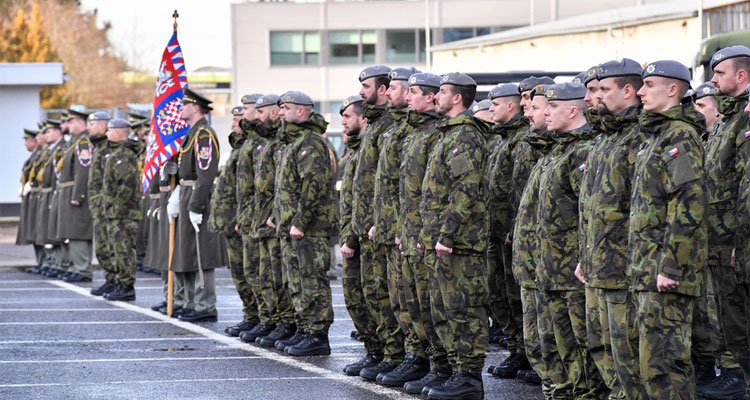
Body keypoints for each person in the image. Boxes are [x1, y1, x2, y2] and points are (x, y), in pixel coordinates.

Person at [629, 60, 707, 399]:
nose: (640, 92)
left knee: (666, 365)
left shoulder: (680, 135)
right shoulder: (657, 134)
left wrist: (671, 267)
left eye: (649, 86)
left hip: (665, 272)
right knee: (651, 363)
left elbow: (689, 202)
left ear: (673, 90)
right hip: (647, 268)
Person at [577, 58, 644, 400]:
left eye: (603, 89)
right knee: (601, 345)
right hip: (597, 262)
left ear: (628, 90)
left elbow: (642, 208)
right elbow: (591, 207)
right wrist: (584, 256)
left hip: (623, 265)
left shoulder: (640, 136)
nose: (595, 96)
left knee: (627, 349)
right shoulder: (606, 138)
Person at [420, 72, 489, 400]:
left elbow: (465, 188)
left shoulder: (465, 136)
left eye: (443, 91)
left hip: (460, 242)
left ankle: (469, 378)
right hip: (443, 240)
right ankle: (454, 370)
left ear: (458, 98)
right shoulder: (447, 133)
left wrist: (448, 234)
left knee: (463, 308)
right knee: (444, 309)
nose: (437, 96)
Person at [537, 82, 604, 399]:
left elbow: (588, 212)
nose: (546, 113)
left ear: (573, 110)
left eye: (552, 107)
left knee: (584, 344)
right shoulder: (560, 149)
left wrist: (584, 259)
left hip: (573, 269)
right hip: (553, 268)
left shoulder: (582, 151)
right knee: (563, 346)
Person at [373, 66, 432, 387]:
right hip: (398, 229)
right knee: (400, 299)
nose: (401, 95)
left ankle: (421, 358)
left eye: (405, 89)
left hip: (413, 232)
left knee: (418, 302)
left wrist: (406, 228)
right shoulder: (399, 128)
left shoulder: (424, 131)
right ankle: (407, 355)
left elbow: (423, 190)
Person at [398, 72, 454, 395]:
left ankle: (442, 366)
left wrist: (432, 233)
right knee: (416, 304)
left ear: (431, 97)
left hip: (429, 235)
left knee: (436, 307)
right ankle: (427, 361)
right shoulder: (417, 133)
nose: (407, 97)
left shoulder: (436, 134)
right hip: (412, 233)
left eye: (413, 92)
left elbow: (439, 192)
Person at [702, 46, 750, 399]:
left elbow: (744, 187)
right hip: (719, 242)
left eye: (719, 73)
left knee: (740, 324)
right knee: (732, 325)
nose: (713, 79)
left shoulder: (744, 119)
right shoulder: (726, 119)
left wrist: (739, 242)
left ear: (741, 75)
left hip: (736, 243)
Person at [272, 90, 336, 356]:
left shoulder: (311, 142)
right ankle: (304, 327)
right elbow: (285, 188)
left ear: (301, 110)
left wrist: (300, 221)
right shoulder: (293, 142)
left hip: (309, 228)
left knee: (312, 280)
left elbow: (313, 186)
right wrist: (279, 218)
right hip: (291, 227)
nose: (281, 112)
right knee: (296, 281)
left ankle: (317, 334)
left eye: (285, 108)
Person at [353, 64, 406, 381]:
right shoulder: (376, 125)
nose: (362, 92)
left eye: (366, 86)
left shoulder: (391, 125)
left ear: (383, 89)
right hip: (371, 226)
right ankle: (385, 352)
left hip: (386, 227)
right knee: (374, 293)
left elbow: (395, 183)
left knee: (391, 296)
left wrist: (383, 222)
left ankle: (395, 354)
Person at [512, 83, 560, 397]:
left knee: (564, 344)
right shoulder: (546, 152)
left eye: (537, 107)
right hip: (534, 262)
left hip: (557, 266)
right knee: (538, 339)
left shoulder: (570, 152)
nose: (527, 112)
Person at [168, 87, 227, 322]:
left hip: (196, 195)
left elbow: (205, 174)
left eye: (184, 105)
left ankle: (205, 305)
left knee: (201, 252)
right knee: (188, 252)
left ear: (195, 107)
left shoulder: (204, 135)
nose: (181, 108)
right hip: (187, 193)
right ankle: (191, 302)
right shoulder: (192, 133)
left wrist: (197, 205)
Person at [484, 83, 529, 380]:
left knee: (515, 297)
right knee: (498, 294)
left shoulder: (522, 139)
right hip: (496, 232)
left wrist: (514, 228)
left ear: (510, 106)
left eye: (495, 105)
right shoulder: (502, 139)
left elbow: (520, 190)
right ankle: (516, 349)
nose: (491, 110)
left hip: (511, 235)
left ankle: (526, 353)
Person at [339, 94, 382, 375]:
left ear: (363, 118)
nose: (343, 122)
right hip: (354, 233)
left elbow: (370, 197)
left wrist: (354, 237)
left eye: (347, 117)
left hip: (368, 235)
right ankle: (374, 350)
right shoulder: (355, 150)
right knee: (355, 297)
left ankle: (385, 352)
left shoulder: (369, 147)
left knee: (375, 297)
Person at [252, 94, 298, 348]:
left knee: (281, 276)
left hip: (278, 220)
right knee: (266, 275)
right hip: (265, 219)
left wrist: (277, 215)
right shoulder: (269, 142)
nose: (254, 116)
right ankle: (273, 320)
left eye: (259, 111)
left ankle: (286, 322)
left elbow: (283, 187)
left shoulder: (284, 142)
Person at [208, 105, 256, 336]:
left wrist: (241, 217)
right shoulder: (239, 148)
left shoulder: (251, 147)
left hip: (243, 221)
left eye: (238, 120)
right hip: (234, 221)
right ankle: (251, 315)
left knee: (251, 272)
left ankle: (258, 316)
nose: (233, 124)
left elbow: (250, 189)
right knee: (240, 272)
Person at [235, 93, 268, 342]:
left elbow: (263, 186)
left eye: (246, 109)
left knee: (263, 273)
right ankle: (255, 316)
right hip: (249, 216)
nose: (243, 115)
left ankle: (267, 319)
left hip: (261, 218)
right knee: (250, 272)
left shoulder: (261, 141)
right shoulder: (248, 141)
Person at [100, 118, 141, 301]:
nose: (107, 133)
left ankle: (126, 286)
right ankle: (120, 282)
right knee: (116, 249)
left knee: (124, 249)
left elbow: (127, 185)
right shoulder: (117, 153)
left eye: (109, 130)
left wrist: (115, 207)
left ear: (117, 133)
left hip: (124, 213)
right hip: (117, 212)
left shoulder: (124, 155)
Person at [56, 109, 94, 283]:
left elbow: (83, 170)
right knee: (70, 231)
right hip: (67, 191)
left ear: (80, 123)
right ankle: (74, 266)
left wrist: (78, 194)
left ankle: (82, 268)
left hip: (76, 192)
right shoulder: (73, 141)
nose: (67, 125)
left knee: (78, 231)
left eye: (71, 122)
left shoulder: (83, 142)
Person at [18, 128, 43, 267]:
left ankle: (45, 262)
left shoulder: (41, 154)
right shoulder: (35, 155)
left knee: (39, 230)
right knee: (35, 230)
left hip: (38, 195)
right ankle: (42, 262)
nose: (25, 144)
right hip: (32, 195)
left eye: (27, 141)